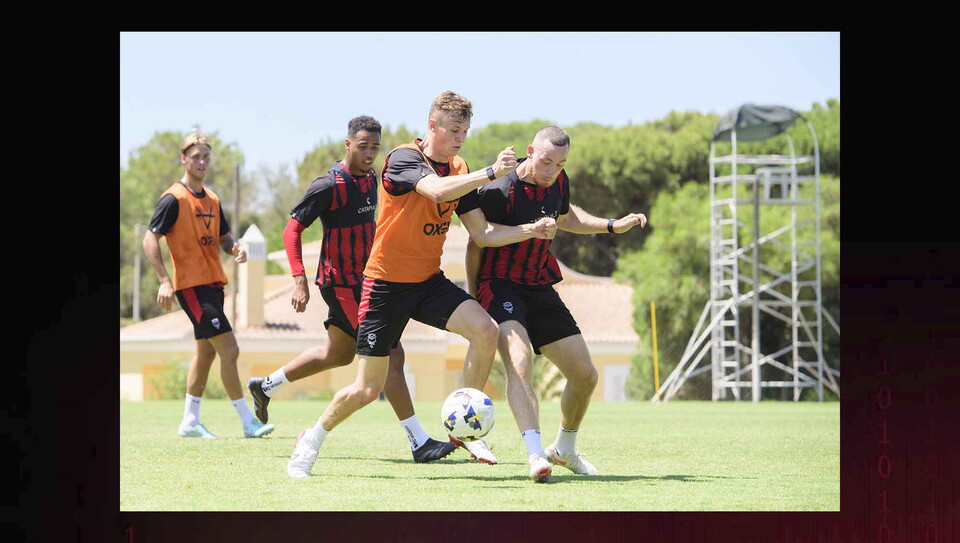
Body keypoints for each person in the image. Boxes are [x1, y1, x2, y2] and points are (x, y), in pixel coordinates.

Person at [287, 91, 557, 478]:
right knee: (366, 389)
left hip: (428, 281)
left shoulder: (459, 165)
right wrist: (492, 172)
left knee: (485, 330)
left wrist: (530, 230)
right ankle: (310, 441)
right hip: (385, 285)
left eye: (465, 131)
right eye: (452, 130)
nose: (459, 139)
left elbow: (481, 233)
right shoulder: (403, 159)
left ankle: (465, 425)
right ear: (432, 126)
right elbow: (436, 190)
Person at [247, 115, 455, 462]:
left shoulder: (372, 177)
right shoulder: (328, 185)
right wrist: (299, 279)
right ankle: (418, 441)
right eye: (363, 146)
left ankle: (265, 385)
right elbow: (292, 230)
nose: (370, 153)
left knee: (338, 353)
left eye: (375, 146)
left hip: (370, 280)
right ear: (347, 144)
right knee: (391, 354)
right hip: (341, 284)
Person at [465, 126, 647, 482]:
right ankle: (535, 455)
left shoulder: (559, 182)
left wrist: (612, 225)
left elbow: (567, 218)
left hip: (538, 284)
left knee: (585, 375)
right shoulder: (501, 190)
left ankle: (564, 448)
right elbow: (477, 243)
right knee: (519, 363)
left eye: (560, 164)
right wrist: (474, 296)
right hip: (499, 285)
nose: (552, 171)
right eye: (546, 162)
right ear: (530, 151)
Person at [142, 133, 275, 439]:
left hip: (213, 285)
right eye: (196, 156)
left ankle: (190, 420)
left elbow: (224, 237)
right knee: (230, 350)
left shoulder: (212, 199)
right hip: (191, 287)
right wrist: (164, 279)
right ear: (183, 159)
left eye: (206, 157)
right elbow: (151, 237)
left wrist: (235, 249)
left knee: (206, 354)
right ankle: (247, 422)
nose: (202, 162)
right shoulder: (173, 198)